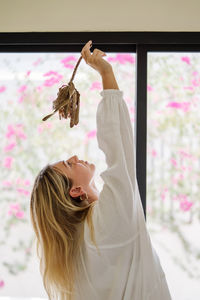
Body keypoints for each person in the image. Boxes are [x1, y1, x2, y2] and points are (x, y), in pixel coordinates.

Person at [30, 41, 172, 300]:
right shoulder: (105, 223)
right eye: (69, 164)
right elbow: (119, 154)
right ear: (75, 190)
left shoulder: (77, 253)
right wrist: (105, 73)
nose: (74, 156)